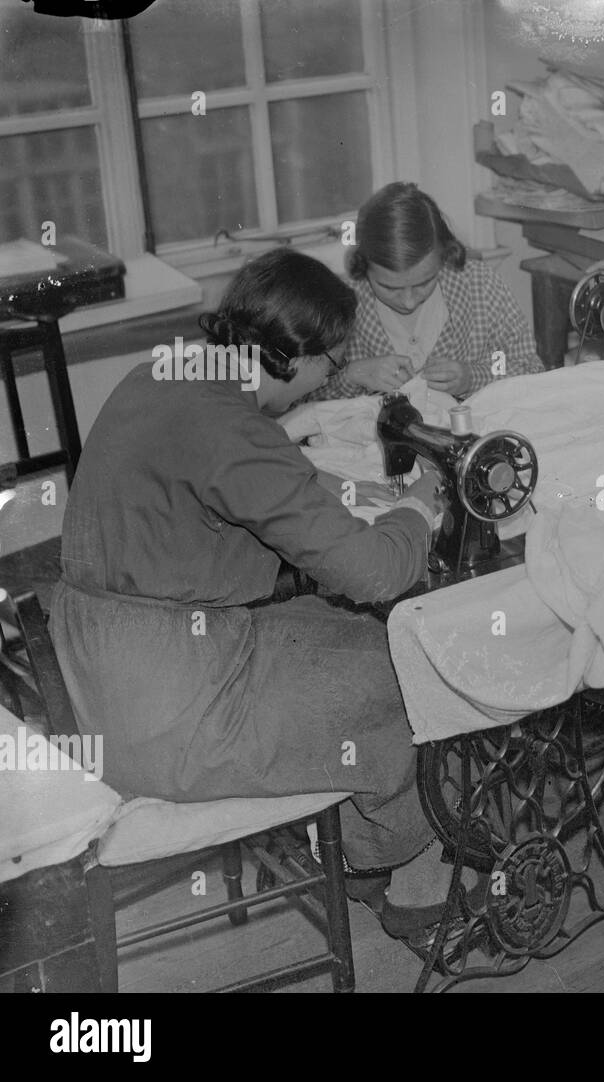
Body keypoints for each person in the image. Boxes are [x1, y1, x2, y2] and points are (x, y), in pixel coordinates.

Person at [49, 249, 469, 941]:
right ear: (290, 356)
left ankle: (365, 855)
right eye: (328, 367)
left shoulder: (165, 371)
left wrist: (336, 498)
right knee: (408, 662)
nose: (324, 382)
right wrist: (419, 505)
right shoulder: (232, 429)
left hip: (98, 675)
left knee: (342, 629)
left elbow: (238, 484)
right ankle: (413, 887)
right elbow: (376, 573)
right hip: (171, 713)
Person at [295, 181, 543, 405]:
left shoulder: (479, 283)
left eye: (425, 282)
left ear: (445, 256)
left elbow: (527, 366)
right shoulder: (342, 301)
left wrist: (474, 376)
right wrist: (352, 374)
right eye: (390, 287)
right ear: (363, 265)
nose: (409, 301)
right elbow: (295, 400)